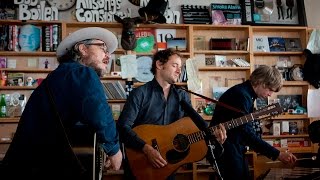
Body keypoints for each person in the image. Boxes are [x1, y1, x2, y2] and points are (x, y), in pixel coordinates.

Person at [1, 27, 122, 180]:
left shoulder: (59, 76)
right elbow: (99, 112)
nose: (108, 55)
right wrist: (114, 149)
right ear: (83, 49)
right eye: (102, 47)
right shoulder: (81, 73)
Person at [117, 48, 227, 180]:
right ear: (159, 65)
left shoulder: (182, 96)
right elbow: (123, 127)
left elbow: (193, 130)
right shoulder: (139, 94)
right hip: (140, 164)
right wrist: (146, 148)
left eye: (180, 67)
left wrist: (212, 137)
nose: (179, 71)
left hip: (168, 166)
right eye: (174, 65)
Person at [208, 65, 297, 180]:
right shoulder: (241, 96)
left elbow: (245, 131)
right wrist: (278, 154)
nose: (270, 94)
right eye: (270, 89)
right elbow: (247, 134)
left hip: (233, 149)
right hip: (227, 151)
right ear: (261, 82)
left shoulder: (246, 94)